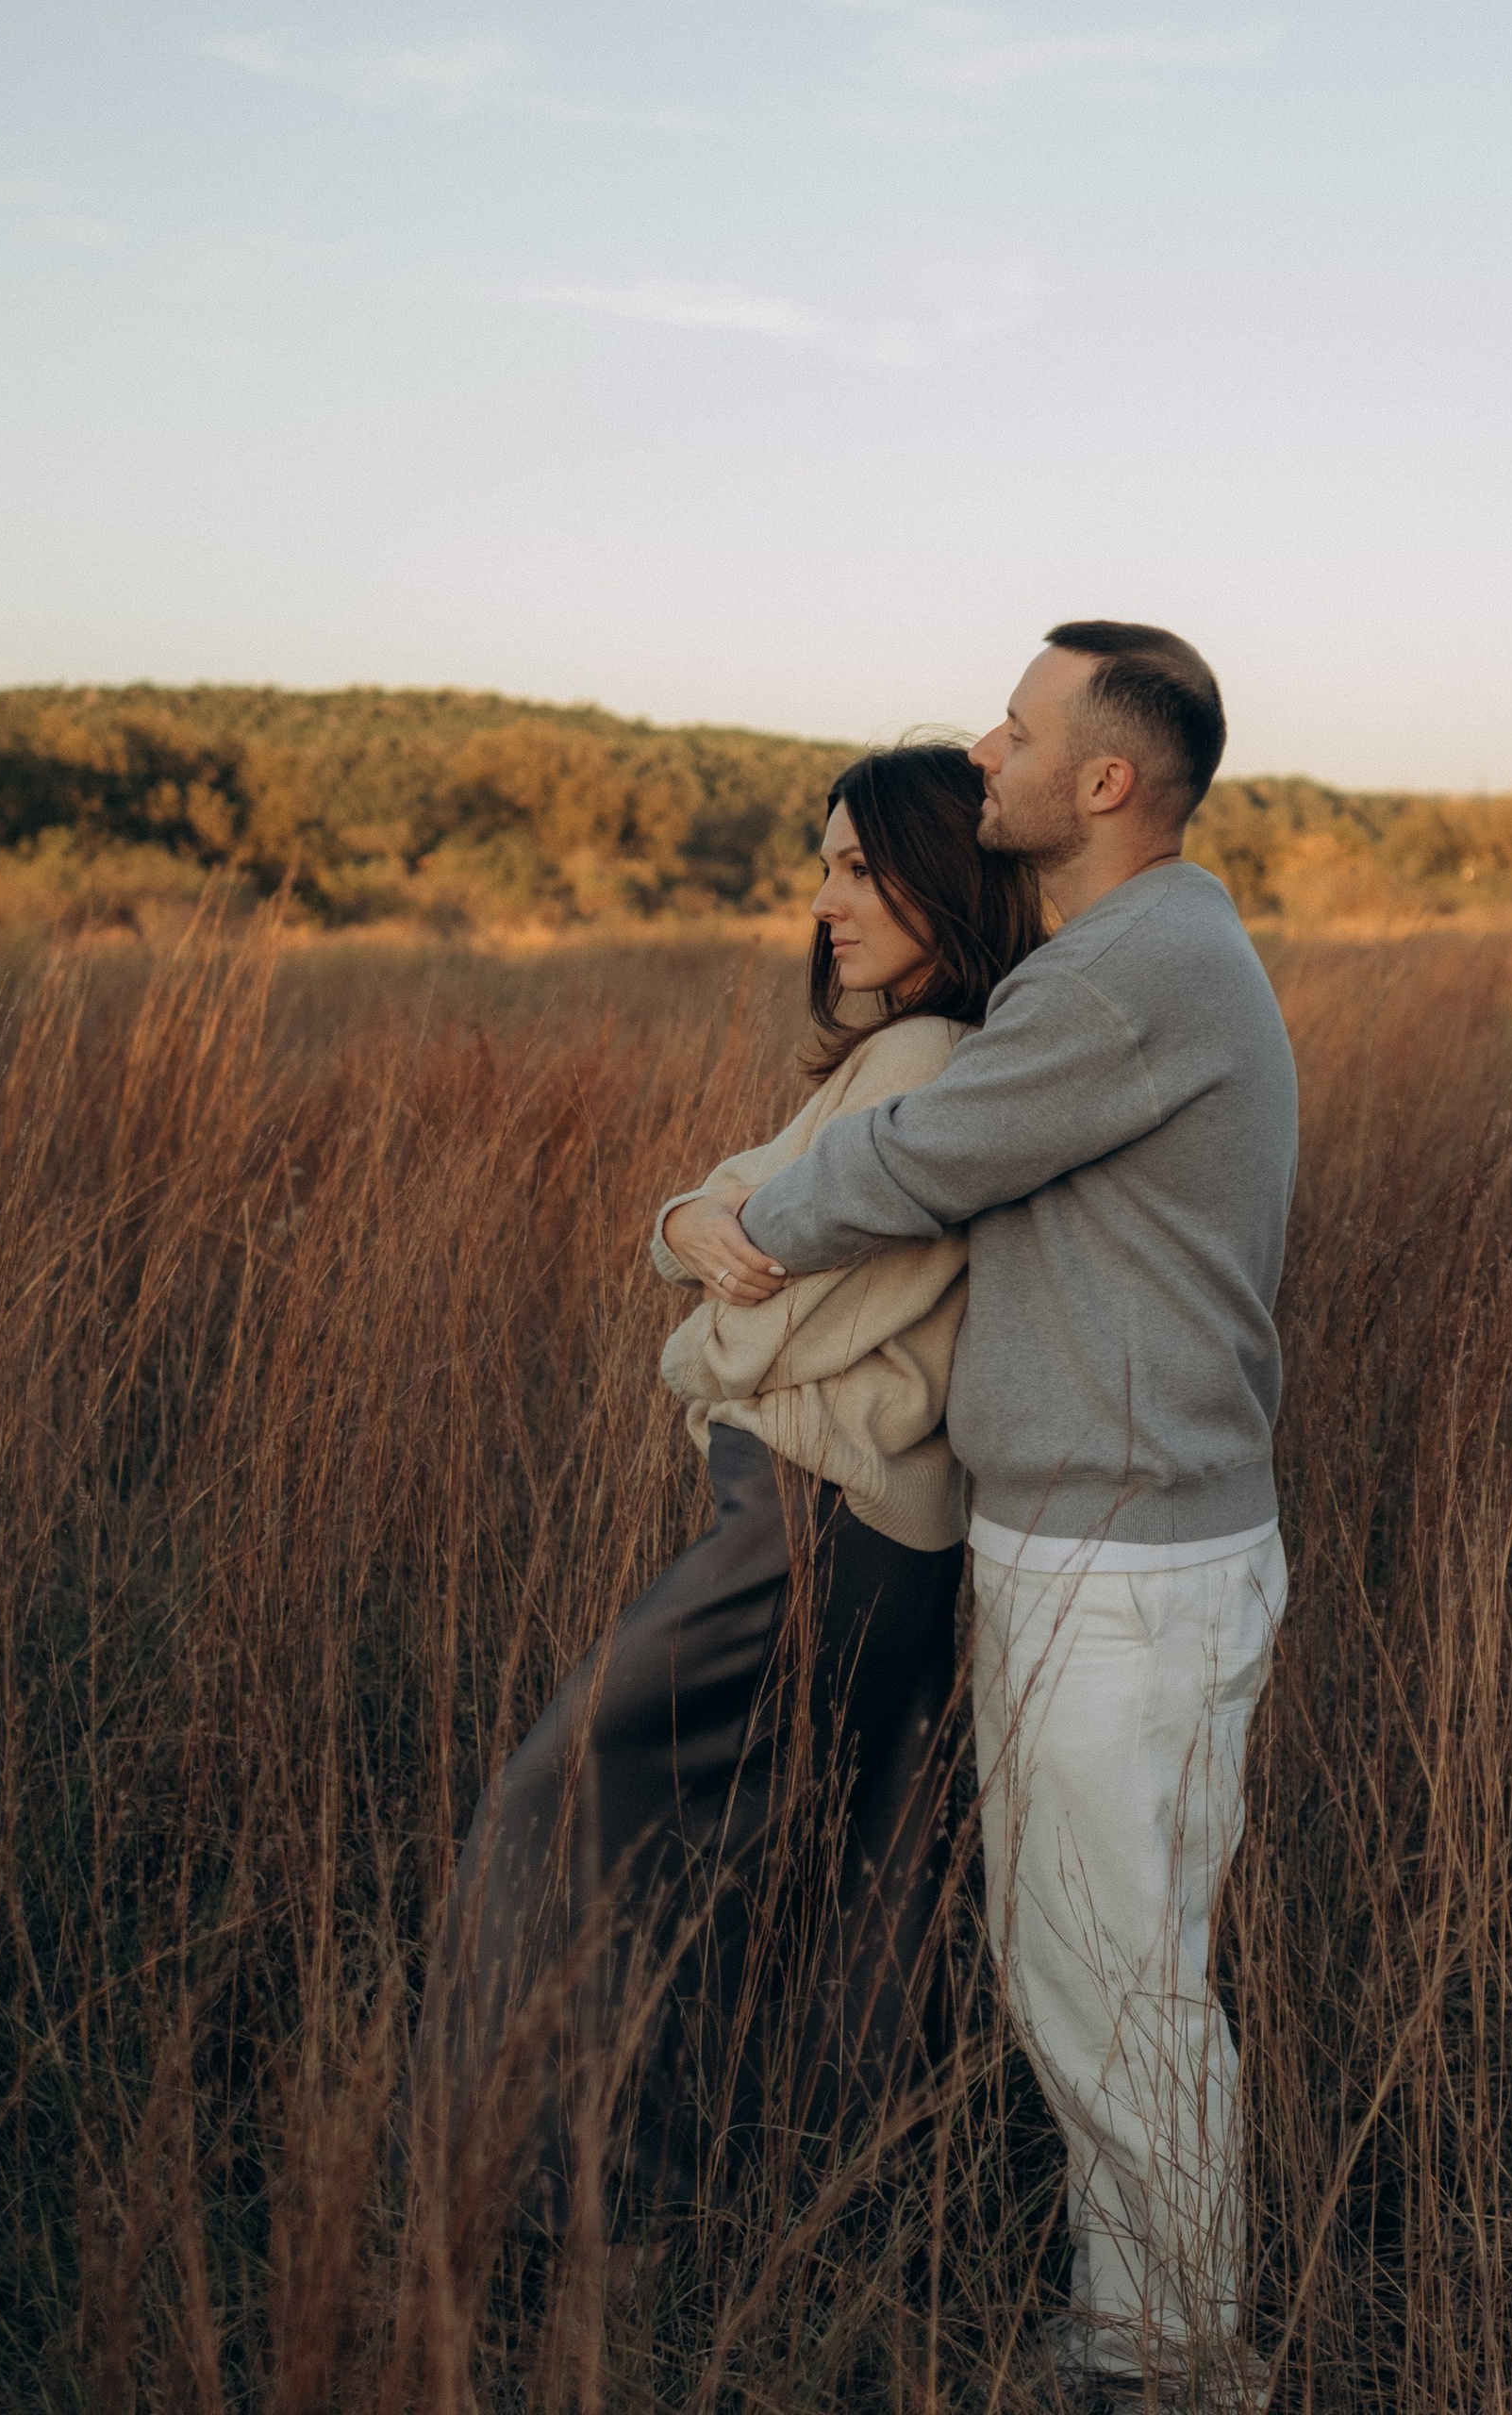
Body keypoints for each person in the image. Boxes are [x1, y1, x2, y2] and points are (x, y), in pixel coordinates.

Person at [695, 624, 1298, 2411]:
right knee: (1090, 1962)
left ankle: (1176, 2363)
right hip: (1097, 1543)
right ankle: (1143, 2332)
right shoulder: (1133, 953)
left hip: (1129, 1565)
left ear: (1105, 782)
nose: (985, 750)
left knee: (1113, 1978)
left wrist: (741, 1225)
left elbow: (920, 1158)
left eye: (1018, 731)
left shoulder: (1129, 972)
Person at [407, 741, 1044, 2234]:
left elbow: (770, 1320)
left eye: (850, 867)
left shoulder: (931, 1063)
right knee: (809, 1862)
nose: (821, 901)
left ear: (936, 872)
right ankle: (741, 2203)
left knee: (559, 1807)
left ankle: (538, 2199)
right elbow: (714, 1208)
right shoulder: (910, 1054)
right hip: (852, 1530)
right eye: (820, 867)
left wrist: (697, 1328)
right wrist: (691, 1216)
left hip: (813, 1524)